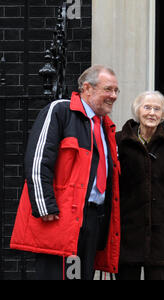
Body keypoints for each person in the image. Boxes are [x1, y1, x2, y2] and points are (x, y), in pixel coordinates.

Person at [10, 65, 121, 279]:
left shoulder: (105, 126)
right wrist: (45, 207)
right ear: (87, 88)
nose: (114, 96)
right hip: (59, 218)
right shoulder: (61, 110)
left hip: (92, 218)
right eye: (108, 89)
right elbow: (38, 159)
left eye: (116, 91)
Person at [115, 91, 164, 280]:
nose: (152, 113)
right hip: (126, 230)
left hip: (162, 233)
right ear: (137, 111)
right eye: (147, 107)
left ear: (163, 114)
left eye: (157, 109)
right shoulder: (118, 141)